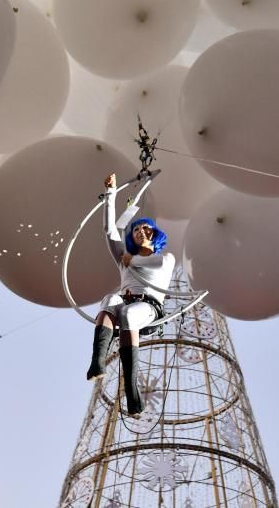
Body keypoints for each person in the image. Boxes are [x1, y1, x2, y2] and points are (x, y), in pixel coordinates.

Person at [85, 173, 175, 415]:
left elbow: (153, 265)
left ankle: (131, 389)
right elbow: (109, 230)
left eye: (147, 229)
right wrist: (111, 194)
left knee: (127, 312)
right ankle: (98, 360)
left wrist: (131, 259)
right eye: (137, 230)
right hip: (125, 304)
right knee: (111, 299)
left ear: (155, 235)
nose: (141, 232)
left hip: (148, 309)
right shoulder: (125, 261)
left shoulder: (165, 259)